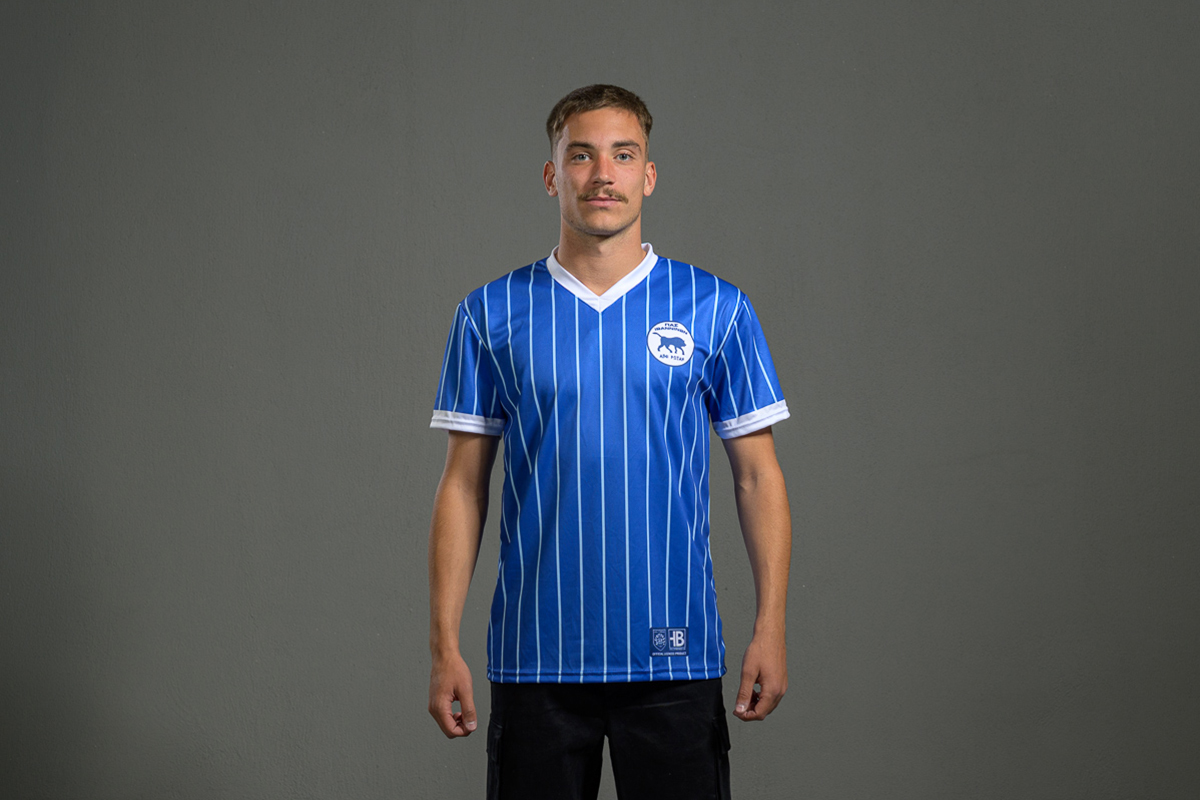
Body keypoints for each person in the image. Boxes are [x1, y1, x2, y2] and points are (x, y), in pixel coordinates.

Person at [427, 84, 792, 800]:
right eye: (581, 155)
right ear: (551, 174)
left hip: (674, 655)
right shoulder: (489, 313)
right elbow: (463, 487)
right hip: (536, 659)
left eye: (623, 156)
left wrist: (770, 627)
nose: (603, 174)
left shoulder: (717, 309)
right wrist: (444, 646)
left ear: (648, 175)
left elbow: (758, 477)